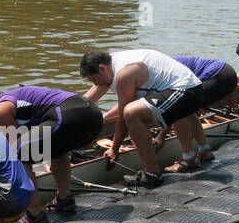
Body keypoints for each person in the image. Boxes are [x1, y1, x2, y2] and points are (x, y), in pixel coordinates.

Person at [0, 82, 104, 223]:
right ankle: (64, 199)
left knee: (19, 153)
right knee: (57, 150)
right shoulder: (9, 99)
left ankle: (34, 214)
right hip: (92, 115)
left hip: (70, 116)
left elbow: (11, 148)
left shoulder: (1, 110)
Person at [78, 48, 204, 189]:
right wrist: (77, 109)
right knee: (132, 117)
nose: (96, 84)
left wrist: (114, 148)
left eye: (94, 80)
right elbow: (95, 93)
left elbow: (123, 117)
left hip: (187, 91)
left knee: (131, 114)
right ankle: (149, 167)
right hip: (182, 89)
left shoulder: (124, 73)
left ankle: (151, 174)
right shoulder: (110, 63)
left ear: (102, 68)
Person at [172, 55, 238, 168]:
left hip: (218, 76)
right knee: (186, 109)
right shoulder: (154, 66)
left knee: (178, 109)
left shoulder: (159, 72)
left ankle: (188, 158)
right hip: (227, 73)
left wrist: (161, 137)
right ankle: (204, 151)